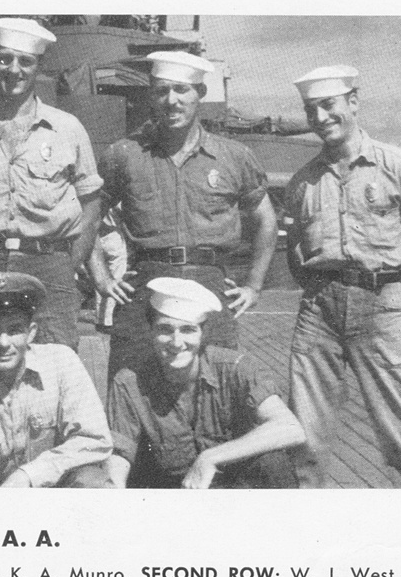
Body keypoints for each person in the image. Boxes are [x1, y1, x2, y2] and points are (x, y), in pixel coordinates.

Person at [284, 65, 401, 488]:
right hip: (319, 311)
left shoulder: (399, 165)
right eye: (311, 110)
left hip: (382, 306)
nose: (320, 118)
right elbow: (296, 253)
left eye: (328, 105)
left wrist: (392, 298)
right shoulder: (303, 182)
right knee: (304, 432)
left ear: (353, 102)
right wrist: (323, 291)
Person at [87, 50, 277, 382]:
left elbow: (266, 220)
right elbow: (87, 218)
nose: (171, 100)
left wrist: (254, 286)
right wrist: (101, 278)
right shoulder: (124, 155)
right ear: (151, 96)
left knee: (216, 382)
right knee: (130, 383)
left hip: (210, 282)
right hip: (145, 285)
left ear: (200, 93)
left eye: (181, 90)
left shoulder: (234, 156)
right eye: (161, 91)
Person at [0, 17, 104, 375]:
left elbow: (91, 204)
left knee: (53, 370)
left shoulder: (67, 129)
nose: (14, 70)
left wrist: (69, 264)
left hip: (48, 266)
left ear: (38, 66)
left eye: (25, 61)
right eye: (4, 59)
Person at [106, 278, 304, 489]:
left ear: (203, 333)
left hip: (235, 487)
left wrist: (210, 458)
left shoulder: (235, 368)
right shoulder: (129, 382)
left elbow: (290, 427)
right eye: (165, 329)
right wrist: (113, 490)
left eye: (188, 330)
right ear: (151, 331)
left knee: (274, 464)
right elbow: (119, 455)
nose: (177, 342)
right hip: (175, 491)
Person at [0, 272, 113, 488]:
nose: (3, 343)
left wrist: (29, 475)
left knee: (94, 482)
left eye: (14, 330)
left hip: (56, 493)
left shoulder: (62, 363)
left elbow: (94, 439)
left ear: (31, 333)